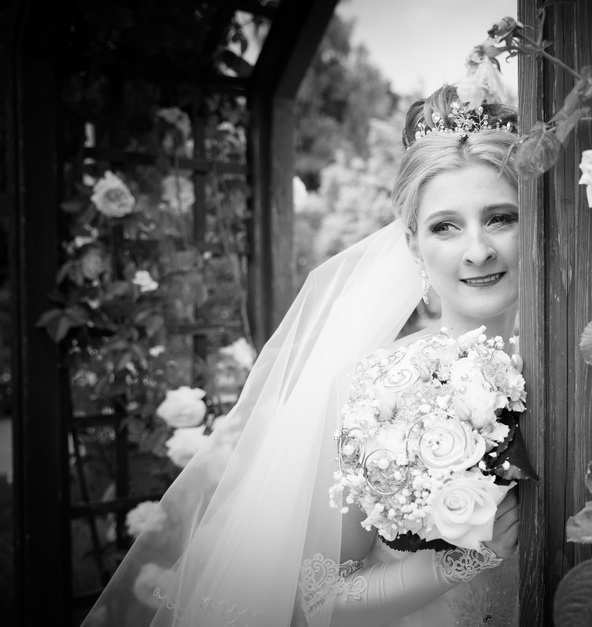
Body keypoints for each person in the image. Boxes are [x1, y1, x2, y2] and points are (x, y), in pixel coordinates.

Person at [82, 84, 523, 627]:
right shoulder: (375, 391)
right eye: (445, 226)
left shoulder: (589, 370)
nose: (478, 249)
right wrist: (451, 567)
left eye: (501, 217)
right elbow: (314, 596)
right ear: (412, 243)